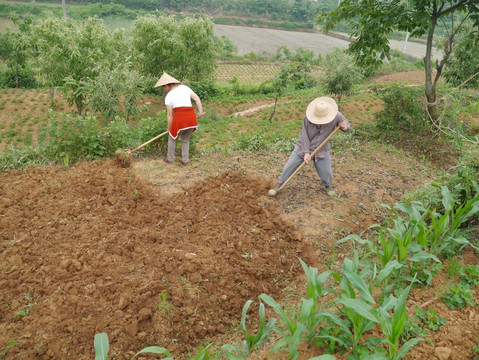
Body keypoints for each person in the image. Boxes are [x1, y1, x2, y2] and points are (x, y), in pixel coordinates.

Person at [275, 96, 350, 196]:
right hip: (303, 147)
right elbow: (304, 135)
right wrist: (306, 152)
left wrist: (344, 127)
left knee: (326, 171)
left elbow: (347, 126)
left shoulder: (337, 116)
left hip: (322, 149)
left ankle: (328, 186)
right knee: (290, 165)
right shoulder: (308, 119)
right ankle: (281, 183)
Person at [154, 72, 205, 165]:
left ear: (166, 85)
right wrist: (200, 111)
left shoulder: (169, 96)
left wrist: (169, 129)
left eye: (163, 87)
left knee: (172, 138)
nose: (163, 89)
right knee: (185, 139)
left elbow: (170, 115)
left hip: (180, 119)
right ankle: (185, 161)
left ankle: (170, 159)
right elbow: (197, 99)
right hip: (191, 118)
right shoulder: (185, 87)